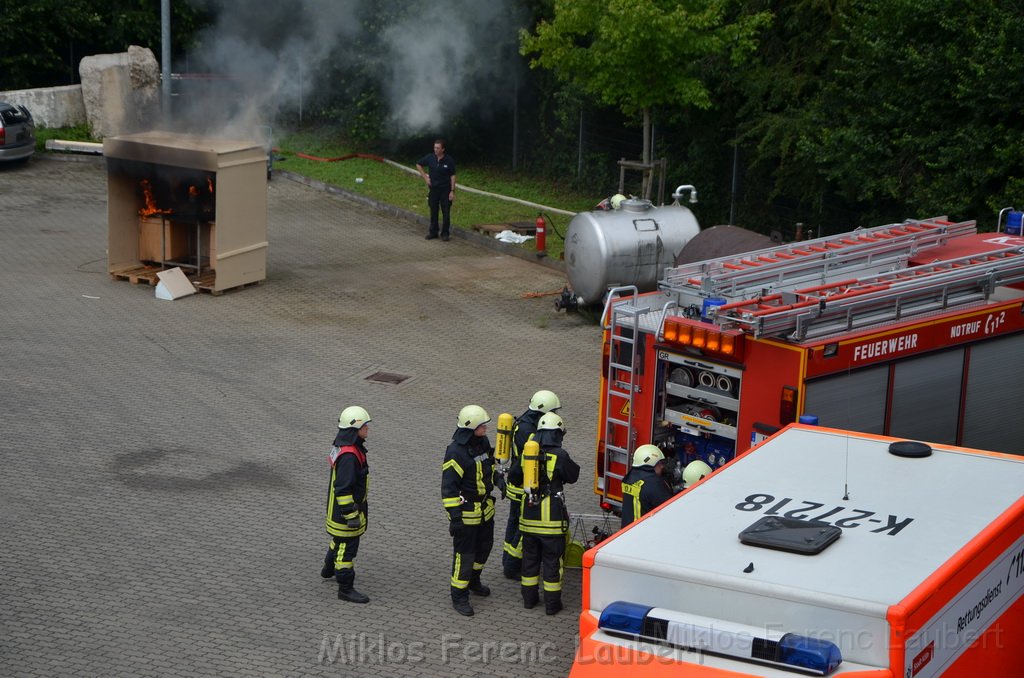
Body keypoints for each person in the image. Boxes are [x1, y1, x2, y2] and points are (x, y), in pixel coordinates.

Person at [510, 412, 579, 615]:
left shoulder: (527, 453)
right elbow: (573, 476)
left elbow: (514, 477)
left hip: (528, 519)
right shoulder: (561, 455)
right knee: (552, 563)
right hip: (551, 521)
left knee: (529, 561)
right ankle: (552, 605)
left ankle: (529, 601)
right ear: (557, 433)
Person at [441, 405, 497, 617]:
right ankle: (459, 595)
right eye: (482, 426)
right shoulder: (455, 452)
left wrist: (497, 479)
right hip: (466, 513)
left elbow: (488, 465)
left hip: (485, 509)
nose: (486, 428)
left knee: (485, 547)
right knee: (465, 556)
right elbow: (448, 489)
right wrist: (454, 518)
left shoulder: (482, 443)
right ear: (470, 427)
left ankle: (474, 580)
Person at [501, 389, 561, 580]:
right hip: (525, 485)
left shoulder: (523, 422)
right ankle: (511, 566)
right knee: (521, 527)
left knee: (513, 524)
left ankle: (507, 559)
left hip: (517, 481)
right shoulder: (531, 431)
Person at [321, 406, 372, 603]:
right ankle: (345, 588)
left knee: (338, 541)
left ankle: (328, 568)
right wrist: (351, 516)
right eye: (365, 425)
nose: (368, 428)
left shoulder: (344, 446)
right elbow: (343, 489)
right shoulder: (350, 456)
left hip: (338, 511)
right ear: (355, 427)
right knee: (346, 551)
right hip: (345, 514)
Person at [619, 444, 675, 529]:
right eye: (659, 463)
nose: (662, 466)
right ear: (650, 462)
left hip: (627, 529)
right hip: (642, 532)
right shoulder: (653, 483)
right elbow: (670, 510)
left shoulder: (630, 476)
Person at [416, 139, 456, 241]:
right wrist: (425, 177)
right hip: (433, 189)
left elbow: (452, 176)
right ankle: (433, 232)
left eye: (438, 148)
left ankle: (445, 233)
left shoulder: (449, 160)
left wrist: (452, 190)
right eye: (435, 147)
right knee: (433, 211)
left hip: (445, 190)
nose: (436, 150)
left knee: (446, 212)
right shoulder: (430, 157)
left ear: (443, 149)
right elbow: (418, 164)